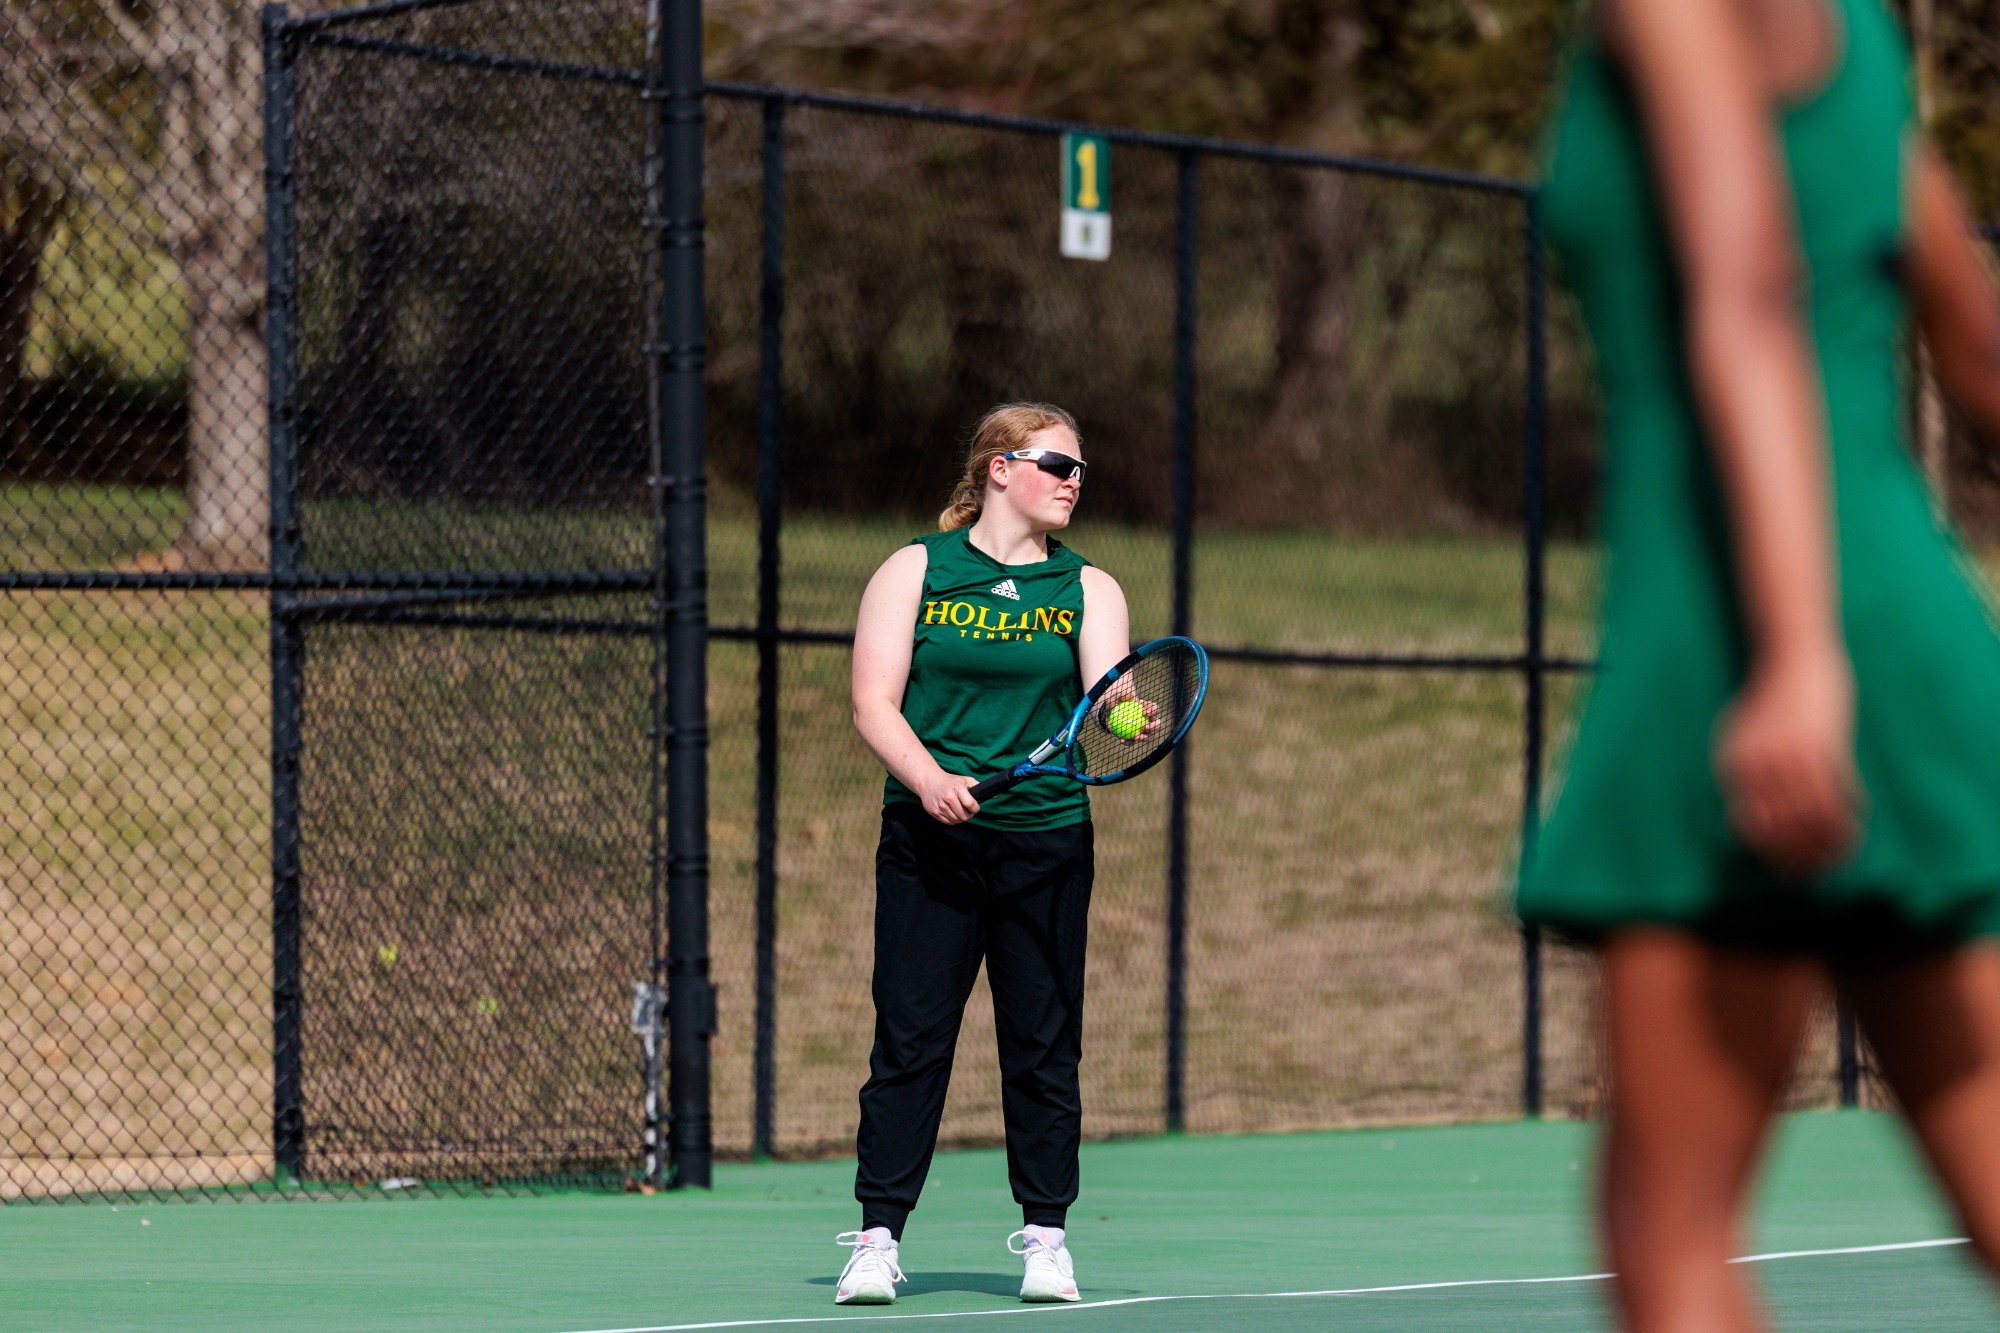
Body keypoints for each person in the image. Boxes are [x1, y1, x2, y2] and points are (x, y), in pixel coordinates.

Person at [1522, 0, 2000, 1327]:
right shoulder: (1857, 30)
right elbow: (1979, 348)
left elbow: (1748, 298)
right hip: (1910, 627)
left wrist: (1795, 658)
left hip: (1741, 628)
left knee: (1668, 1234)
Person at [833, 402, 1136, 1306]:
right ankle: (878, 1239)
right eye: (1057, 464)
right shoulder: (915, 569)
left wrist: (1130, 716)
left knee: (1043, 1044)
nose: (1074, 480)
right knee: (910, 1042)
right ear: (1000, 468)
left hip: (1046, 843)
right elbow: (874, 703)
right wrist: (929, 780)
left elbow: (1110, 699)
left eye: (1081, 469)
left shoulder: (1090, 588)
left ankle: (1047, 1239)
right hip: (930, 844)